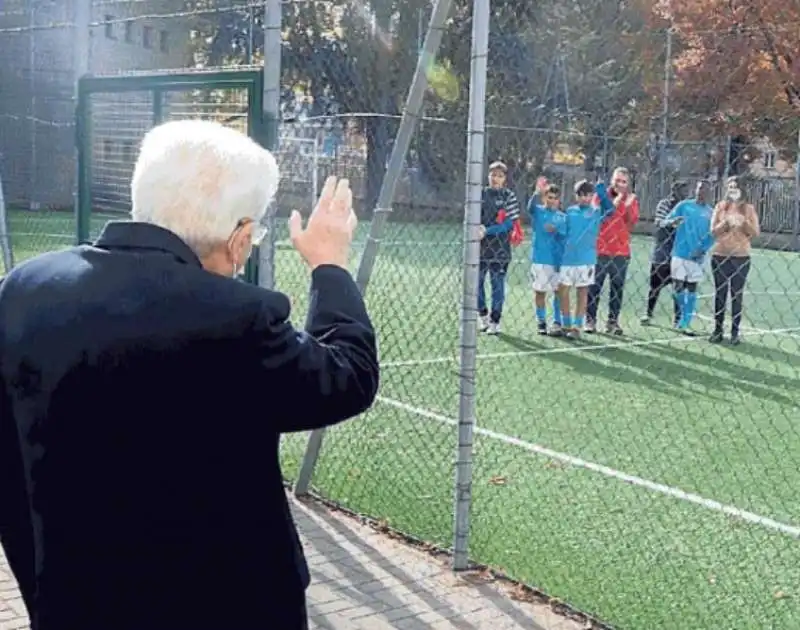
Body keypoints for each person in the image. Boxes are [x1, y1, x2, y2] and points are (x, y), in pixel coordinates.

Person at [0, 120, 379, 630]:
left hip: (73, 603)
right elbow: (347, 376)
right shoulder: (236, 317)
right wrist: (329, 266)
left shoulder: (24, 290)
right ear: (239, 238)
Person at [586, 166, 640, 335]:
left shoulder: (632, 199)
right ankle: (590, 319)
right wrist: (616, 205)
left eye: (624, 181)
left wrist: (625, 204)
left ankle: (612, 321)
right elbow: (600, 216)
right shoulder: (600, 196)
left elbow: (631, 222)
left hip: (621, 251)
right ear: (612, 180)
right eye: (617, 180)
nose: (620, 185)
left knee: (617, 288)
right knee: (594, 286)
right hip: (600, 249)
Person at [557, 180, 615, 339]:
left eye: (588, 195)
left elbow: (611, 210)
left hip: (586, 260)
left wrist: (602, 192)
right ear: (576, 196)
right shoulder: (570, 212)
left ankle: (577, 326)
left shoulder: (596, 212)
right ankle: (566, 323)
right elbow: (562, 233)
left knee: (582, 292)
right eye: (581, 195)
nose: (585, 198)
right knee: (563, 290)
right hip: (568, 259)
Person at [709, 176, 760, 344]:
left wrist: (743, 221)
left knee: (736, 295)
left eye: (735, 187)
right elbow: (713, 231)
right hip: (720, 256)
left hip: (741, 257)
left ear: (742, 189)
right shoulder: (721, 207)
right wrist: (726, 222)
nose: (732, 190)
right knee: (720, 294)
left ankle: (735, 333)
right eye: (730, 187)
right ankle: (717, 330)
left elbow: (755, 233)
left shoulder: (749, 209)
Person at [661, 179, 714, 336]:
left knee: (691, 288)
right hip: (679, 252)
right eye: (699, 188)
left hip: (696, 256)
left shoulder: (711, 213)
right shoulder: (684, 205)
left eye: (704, 189)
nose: (701, 191)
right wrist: (672, 222)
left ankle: (685, 322)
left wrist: (703, 249)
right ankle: (685, 315)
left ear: (709, 192)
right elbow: (665, 221)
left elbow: (713, 235)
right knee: (677, 287)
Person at [478, 161, 521, 335]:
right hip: (479, 249)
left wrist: (486, 230)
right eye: (493, 175)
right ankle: (482, 315)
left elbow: (509, 225)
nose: (495, 178)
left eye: (500, 175)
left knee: (497, 285)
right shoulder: (480, 193)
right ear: (488, 176)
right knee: (476, 284)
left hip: (500, 250)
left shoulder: (508, 196)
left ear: (505, 179)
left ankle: (495, 320)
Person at [641, 180, 688, 326]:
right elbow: (659, 222)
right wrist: (672, 222)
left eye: (686, 192)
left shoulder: (687, 207)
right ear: (674, 191)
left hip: (679, 253)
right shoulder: (664, 204)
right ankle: (648, 314)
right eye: (682, 191)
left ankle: (678, 319)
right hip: (662, 253)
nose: (685, 195)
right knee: (655, 287)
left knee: (679, 287)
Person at [528, 178, 566, 336]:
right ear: (544, 198)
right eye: (549, 197)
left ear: (559, 200)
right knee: (539, 291)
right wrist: (536, 193)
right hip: (540, 259)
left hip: (556, 261)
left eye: (555, 198)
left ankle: (557, 322)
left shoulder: (563, 217)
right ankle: (541, 321)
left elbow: (565, 238)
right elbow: (529, 208)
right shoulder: (538, 210)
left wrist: (556, 231)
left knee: (558, 292)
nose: (552, 201)